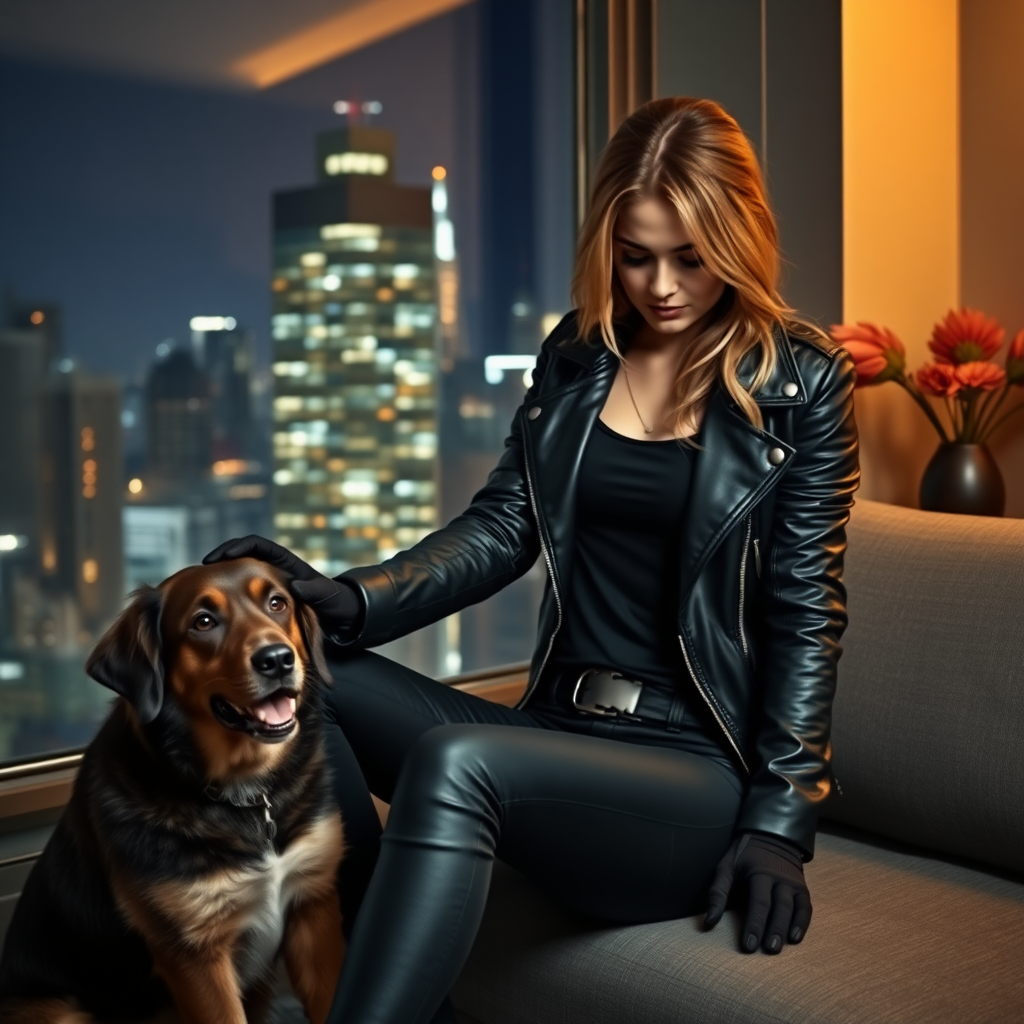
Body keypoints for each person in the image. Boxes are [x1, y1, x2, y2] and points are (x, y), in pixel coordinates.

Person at [206, 95, 860, 1024]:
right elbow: (504, 527)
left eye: (691, 256)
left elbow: (805, 609)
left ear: (739, 235)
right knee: (312, 678)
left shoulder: (801, 379)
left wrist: (779, 825)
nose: (662, 285)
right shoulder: (579, 352)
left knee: (459, 762)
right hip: (560, 730)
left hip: (689, 769)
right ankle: (379, 982)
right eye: (635, 256)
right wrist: (348, 600)